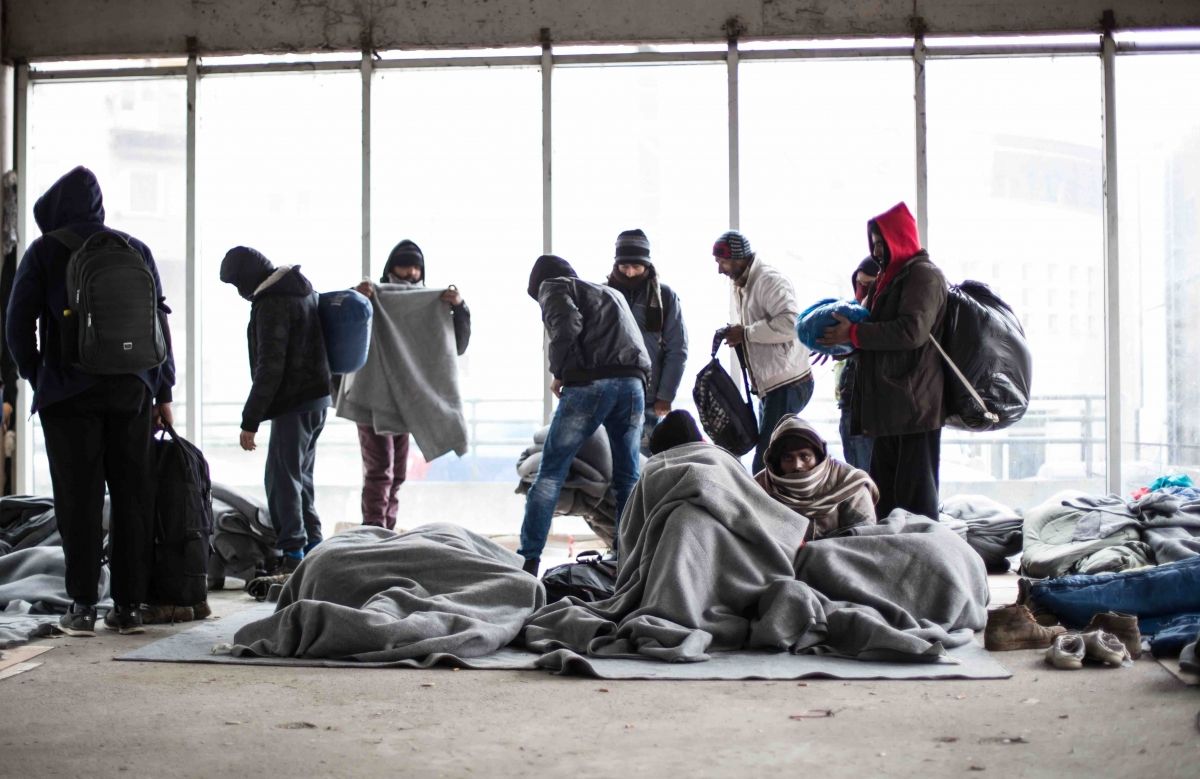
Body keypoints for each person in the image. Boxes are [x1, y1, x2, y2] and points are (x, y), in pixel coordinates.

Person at [5, 166, 176, 636]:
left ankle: (81, 606)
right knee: (132, 497)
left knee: (78, 500)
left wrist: (38, 375)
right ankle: (129, 607)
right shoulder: (132, 248)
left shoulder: (44, 250)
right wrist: (162, 389)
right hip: (133, 389)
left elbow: (16, 325)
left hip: (68, 392)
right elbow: (158, 322)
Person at [520, 254, 650, 576]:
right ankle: (624, 561)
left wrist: (561, 371)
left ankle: (528, 562)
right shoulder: (611, 293)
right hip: (633, 383)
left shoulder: (553, 285)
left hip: (592, 383)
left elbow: (566, 325)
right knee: (627, 478)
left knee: (550, 473)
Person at [818, 202, 947, 520]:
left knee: (915, 503)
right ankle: (892, 564)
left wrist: (856, 334)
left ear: (900, 238)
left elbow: (912, 331)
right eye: (873, 244)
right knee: (886, 500)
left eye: (881, 243)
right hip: (892, 407)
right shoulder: (894, 278)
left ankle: (926, 564)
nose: (877, 252)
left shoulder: (923, 275)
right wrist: (846, 339)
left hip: (914, 407)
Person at [220, 246, 331, 573]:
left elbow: (271, 367)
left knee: (281, 480)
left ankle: (293, 556)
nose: (239, 292)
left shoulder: (273, 303)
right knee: (301, 479)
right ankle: (313, 547)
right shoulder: (303, 290)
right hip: (317, 400)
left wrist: (250, 420)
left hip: (292, 403)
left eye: (236, 283)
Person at [349, 239, 471, 530]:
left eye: (416, 267)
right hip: (373, 395)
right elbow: (343, 327)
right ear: (391, 267)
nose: (411, 272)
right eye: (405, 265)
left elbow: (457, 345)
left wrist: (459, 308)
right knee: (380, 470)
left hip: (406, 398)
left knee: (397, 473)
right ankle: (374, 532)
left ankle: (385, 530)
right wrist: (356, 297)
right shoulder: (370, 297)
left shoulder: (430, 304)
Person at [712, 229, 814, 473]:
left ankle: (765, 507)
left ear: (738, 258)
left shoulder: (768, 281)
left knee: (766, 459)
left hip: (788, 382)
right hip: (773, 385)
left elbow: (792, 323)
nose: (720, 269)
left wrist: (746, 333)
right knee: (771, 455)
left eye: (722, 262)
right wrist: (741, 334)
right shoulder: (744, 284)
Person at [605, 229, 687, 454]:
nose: (630, 273)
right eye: (624, 267)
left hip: (649, 397)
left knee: (646, 460)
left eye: (636, 267)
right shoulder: (603, 294)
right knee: (610, 460)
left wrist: (665, 395)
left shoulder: (665, 296)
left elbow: (677, 349)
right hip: (608, 394)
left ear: (647, 265)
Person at [754, 415, 878, 540]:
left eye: (805, 457)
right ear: (777, 463)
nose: (797, 465)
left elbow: (864, 538)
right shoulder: (761, 486)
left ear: (818, 456)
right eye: (788, 458)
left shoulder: (850, 483)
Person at [835, 257, 879, 471]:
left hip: (876, 410)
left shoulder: (885, 320)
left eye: (869, 286)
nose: (862, 291)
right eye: (859, 284)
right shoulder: (850, 314)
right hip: (852, 403)